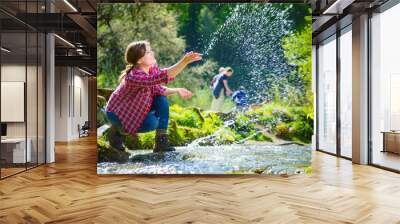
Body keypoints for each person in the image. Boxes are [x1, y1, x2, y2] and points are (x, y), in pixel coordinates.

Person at [106, 41, 202, 153]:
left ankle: (161, 142)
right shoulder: (134, 76)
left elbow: (159, 88)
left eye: (150, 50)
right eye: (148, 52)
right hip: (117, 113)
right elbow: (161, 77)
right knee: (151, 123)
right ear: (139, 60)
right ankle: (117, 131)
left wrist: (177, 90)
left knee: (161, 98)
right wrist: (184, 61)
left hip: (135, 109)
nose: (152, 53)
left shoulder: (151, 70)